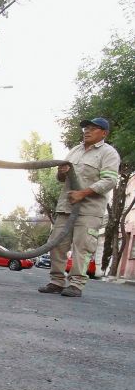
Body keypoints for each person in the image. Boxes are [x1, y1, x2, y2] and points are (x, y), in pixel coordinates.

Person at [38, 117, 120, 297]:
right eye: (85, 128)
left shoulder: (108, 153)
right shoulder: (75, 151)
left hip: (89, 210)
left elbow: (109, 180)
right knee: (56, 245)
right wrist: (61, 172)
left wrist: (83, 193)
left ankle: (76, 285)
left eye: (93, 128)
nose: (87, 131)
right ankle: (56, 282)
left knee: (82, 247)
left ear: (104, 133)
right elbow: (61, 179)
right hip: (66, 207)